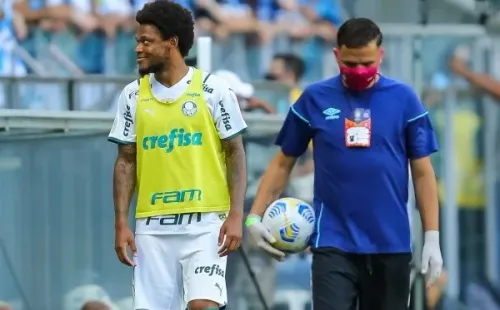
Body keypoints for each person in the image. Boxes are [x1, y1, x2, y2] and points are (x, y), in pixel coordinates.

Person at [245, 17, 443, 310]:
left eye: (367, 63)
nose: (360, 71)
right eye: (350, 63)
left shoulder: (405, 101)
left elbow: (423, 174)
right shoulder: (314, 99)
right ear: (337, 55)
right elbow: (282, 162)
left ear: (380, 56)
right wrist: (254, 217)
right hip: (333, 245)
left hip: (391, 245)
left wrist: (432, 237)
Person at [107, 1, 248, 310]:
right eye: (137, 41)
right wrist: (121, 223)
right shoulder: (132, 95)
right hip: (153, 227)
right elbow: (125, 161)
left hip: (207, 224)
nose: (138, 49)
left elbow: (235, 152)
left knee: (202, 305)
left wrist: (236, 214)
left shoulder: (214, 91)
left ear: (172, 43)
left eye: (146, 41)